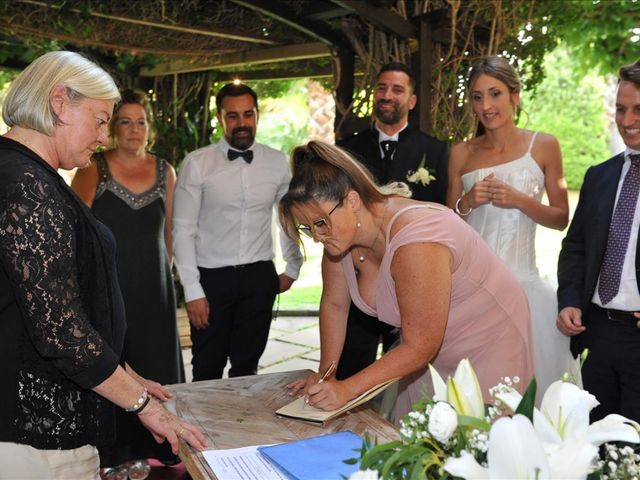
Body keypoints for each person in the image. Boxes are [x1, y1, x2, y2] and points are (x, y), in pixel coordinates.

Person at [0, 51, 206, 478]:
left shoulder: (31, 175)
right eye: (99, 119)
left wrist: (125, 373)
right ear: (60, 102)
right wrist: (143, 405)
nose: (103, 135)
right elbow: (60, 331)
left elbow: (66, 307)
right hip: (33, 439)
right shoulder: (27, 186)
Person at [281, 141, 534, 422]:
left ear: (352, 201)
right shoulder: (338, 242)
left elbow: (420, 346)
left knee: (476, 441)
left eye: (320, 223)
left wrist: (347, 390)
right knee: (420, 437)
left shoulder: (417, 241)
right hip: (423, 347)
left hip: (487, 340)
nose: (317, 237)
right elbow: (335, 304)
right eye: (308, 228)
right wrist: (325, 376)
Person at [447, 55, 573, 399]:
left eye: (495, 93)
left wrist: (520, 199)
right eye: (476, 96)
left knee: (525, 395)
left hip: (524, 290)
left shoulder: (544, 145)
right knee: (466, 393)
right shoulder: (461, 153)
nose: (486, 105)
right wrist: (468, 201)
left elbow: (560, 218)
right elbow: (447, 226)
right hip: (470, 290)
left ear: (515, 95)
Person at [72, 89, 184, 471]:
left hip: (155, 291)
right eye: (125, 121)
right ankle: (115, 457)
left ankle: (161, 451)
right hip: (108, 289)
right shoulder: (92, 168)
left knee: (156, 365)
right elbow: (75, 230)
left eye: (141, 122)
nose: (134, 130)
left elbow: (172, 233)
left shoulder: (166, 169)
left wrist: (168, 276)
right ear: (113, 127)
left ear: (149, 128)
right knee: (113, 365)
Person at [173, 82, 303, 381]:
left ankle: (243, 426)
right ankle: (202, 428)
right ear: (220, 118)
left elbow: (287, 219)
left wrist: (293, 267)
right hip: (211, 279)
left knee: (248, 368)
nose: (241, 123)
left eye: (248, 114)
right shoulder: (197, 164)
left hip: (259, 276)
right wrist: (192, 291)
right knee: (207, 366)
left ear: (257, 115)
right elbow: (182, 230)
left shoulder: (276, 162)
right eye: (233, 116)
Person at [336, 62, 449, 380]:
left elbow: (439, 215)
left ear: (411, 100)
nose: (387, 95)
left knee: (409, 371)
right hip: (361, 275)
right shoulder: (347, 150)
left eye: (397, 89)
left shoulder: (436, 152)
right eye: (382, 88)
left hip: (411, 279)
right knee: (353, 366)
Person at [557, 59, 640, 423]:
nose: (626, 120)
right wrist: (570, 300)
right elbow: (575, 247)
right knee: (597, 446)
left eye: (638, 110)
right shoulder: (599, 176)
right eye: (621, 109)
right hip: (596, 332)